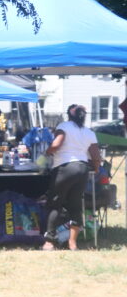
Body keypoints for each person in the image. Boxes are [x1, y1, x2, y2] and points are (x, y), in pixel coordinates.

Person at [42, 104, 101, 251]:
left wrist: (46, 153)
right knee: (75, 206)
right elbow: (96, 155)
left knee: (55, 204)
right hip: (82, 169)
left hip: (65, 168)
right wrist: (97, 168)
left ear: (69, 114)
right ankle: (72, 243)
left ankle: (49, 242)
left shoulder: (64, 126)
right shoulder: (89, 132)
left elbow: (56, 145)